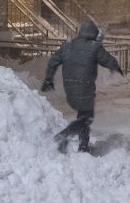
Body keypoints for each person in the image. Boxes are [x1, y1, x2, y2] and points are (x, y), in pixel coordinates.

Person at [41, 20, 123, 153]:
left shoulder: (67, 46)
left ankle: (83, 146)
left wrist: (48, 79)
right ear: (93, 34)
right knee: (86, 118)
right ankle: (66, 135)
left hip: (70, 91)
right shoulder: (95, 47)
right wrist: (116, 66)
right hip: (85, 91)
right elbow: (108, 60)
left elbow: (53, 61)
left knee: (83, 117)